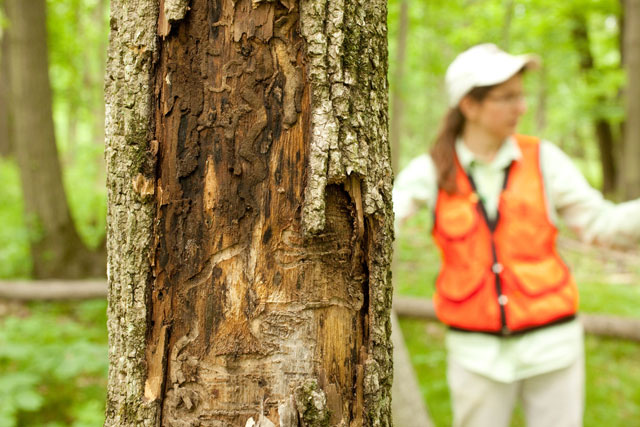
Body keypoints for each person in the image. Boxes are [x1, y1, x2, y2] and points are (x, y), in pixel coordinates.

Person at [393, 43, 640, 427]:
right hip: (475, 354)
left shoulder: (545, 158)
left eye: (521, 95)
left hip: (553, 348)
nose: (521, 107)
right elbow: (383, 217)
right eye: (507, 98)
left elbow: (599, 224)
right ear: (469, 106)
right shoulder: (431, 169)